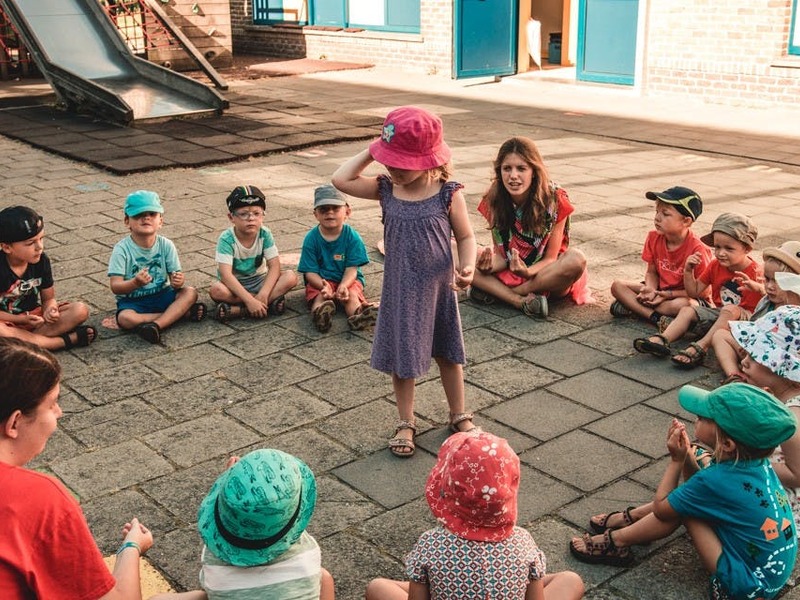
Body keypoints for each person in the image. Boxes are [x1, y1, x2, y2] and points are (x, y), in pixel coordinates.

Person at [0, 337, 205, 600]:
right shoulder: (39, 499)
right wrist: (131, 547)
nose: (59, 412)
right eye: (52, 404)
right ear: (15, 422)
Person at [331, 105, 478, 458]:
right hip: (401, 291)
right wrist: (375, 148)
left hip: (439, 289)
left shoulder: (448, 192)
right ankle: (406, 420)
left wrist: (468, 267)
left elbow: (467, 237)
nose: (393, 169)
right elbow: (341, 179)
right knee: (402, 358)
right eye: (388, 161)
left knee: (448, 353)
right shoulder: (386, 189)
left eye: (402, 163)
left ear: (430, 160)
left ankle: (458, 413)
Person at [570, 383, 797, 600]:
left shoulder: (716, 479)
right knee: (690, 499)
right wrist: (689, 456)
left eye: (703, 417)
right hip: (769, 574)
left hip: (746, 585)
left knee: (682, 509)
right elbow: (697, 488)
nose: (696, 417)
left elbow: (663, 509)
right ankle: (635, 518)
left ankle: (617, 542)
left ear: (727, 444)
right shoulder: (757, 463)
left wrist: (677, 461)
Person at [365, 431, 585, 600]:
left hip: (442, 577)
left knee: (377, 587)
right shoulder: (523, 542)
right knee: (570, 580)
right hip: (512, 572)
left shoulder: (430, 544)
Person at [468, 137, 589, 318]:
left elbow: (550, 258)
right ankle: (520, 301)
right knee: (452, 250)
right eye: (507, 168)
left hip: (545, 276)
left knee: (576, 259)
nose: (513, 176)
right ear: (499, 171)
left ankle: (504, 293)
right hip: (509, 270)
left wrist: (527, 271)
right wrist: (486, 267)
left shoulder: (555, 199)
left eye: (521, 169)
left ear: (534, 171)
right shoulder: (493, 200)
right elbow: (502, 257)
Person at [196, 449, 335, 599]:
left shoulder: (212, 561)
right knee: (325, 577)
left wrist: (234, 486)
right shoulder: (308, 553)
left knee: (204, 595)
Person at [633, 212, 762, 369]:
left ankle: (701, 347)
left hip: (749, 322)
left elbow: (775, 300)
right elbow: (694, 292)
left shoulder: (757, 272)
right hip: (722, 315)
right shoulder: (715, 265)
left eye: (729, 248)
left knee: (730, 309)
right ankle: (662, 340)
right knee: (688, 310)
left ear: (747, 249)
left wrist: (759, 288)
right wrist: (688, 271)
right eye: (717, 247)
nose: (721, 253)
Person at [730, 305, 800, 534]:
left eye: (757, 356)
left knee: (711, 489)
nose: (745, 361)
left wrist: (745, 460)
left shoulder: (793, 420)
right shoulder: (779, 397)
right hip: (769, 479)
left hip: (783, 505)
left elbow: (797, 475)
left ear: (786, 371)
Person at [108, 190, 205, 344]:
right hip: (134, 301)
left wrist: (178, 281)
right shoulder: (121, 249)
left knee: (190, 292)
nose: (146, 217)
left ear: (161, 221)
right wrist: (135, 283)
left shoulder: (166, 245)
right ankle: (178, 315)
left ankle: (155, 325)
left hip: (162, 294)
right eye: (139, 215)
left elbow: (176, 278)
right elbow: (116, 286)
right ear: (127, 222)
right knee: (125, 318)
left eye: (152, 214)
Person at [610, 187, 712, 326]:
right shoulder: (653, 237)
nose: (657, 218)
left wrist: (668, 295)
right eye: (657, 211)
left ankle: (635, 307)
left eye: (665, 214)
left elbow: (703, 292)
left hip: (683, 296)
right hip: (659, 290)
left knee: (686, 305)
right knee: (617, 286)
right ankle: (656, 318)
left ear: (686, 221)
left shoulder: (698, 250)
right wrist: (650, 289)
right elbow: (651, 272)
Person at [0, 205, 95, 350]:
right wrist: (19, 319)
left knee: (80, 310)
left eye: (41, 239)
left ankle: (23, 345)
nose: (39, 247)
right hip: (7, 321)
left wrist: (50, 310)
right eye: (30, 243)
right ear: (7, 247)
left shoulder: (41, 261)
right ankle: (64, 341)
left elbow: (49, 298)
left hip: (35, 319)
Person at [711, 240, 800, 384]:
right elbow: (754, 327)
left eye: (777, 281)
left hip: (782, 363)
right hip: (754, 355)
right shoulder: (767, 302)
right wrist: (748, 346)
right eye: (767, 279)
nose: (770, 286)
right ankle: (734, 376)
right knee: (720, 335)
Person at [210, 185, 298, 322]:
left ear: (263, 215)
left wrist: (263, 293)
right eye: (243, 214)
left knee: (291, 277)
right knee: (216, 290)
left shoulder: (265, 234)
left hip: (259, 280)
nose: (251, 218)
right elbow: (226, 275)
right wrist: (250, 299)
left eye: (256, 213)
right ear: (231, 217)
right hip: (235, 284)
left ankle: (241, 310)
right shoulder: (226, 239)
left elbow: (274, 266)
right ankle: (266, 304)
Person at [298, 184, 378, 333]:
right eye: (324, 209)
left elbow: (352, 269)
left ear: (347, 212)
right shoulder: (311, 238)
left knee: (352, 295)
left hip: (348, 279)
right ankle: (320, 315)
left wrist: (344, 285)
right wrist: (323, 286)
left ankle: (358, 316)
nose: (330, 213)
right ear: (315, 214)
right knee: (320, 297)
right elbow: (310, 272)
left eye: (335, 208)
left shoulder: (352, 237)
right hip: (321, 280)